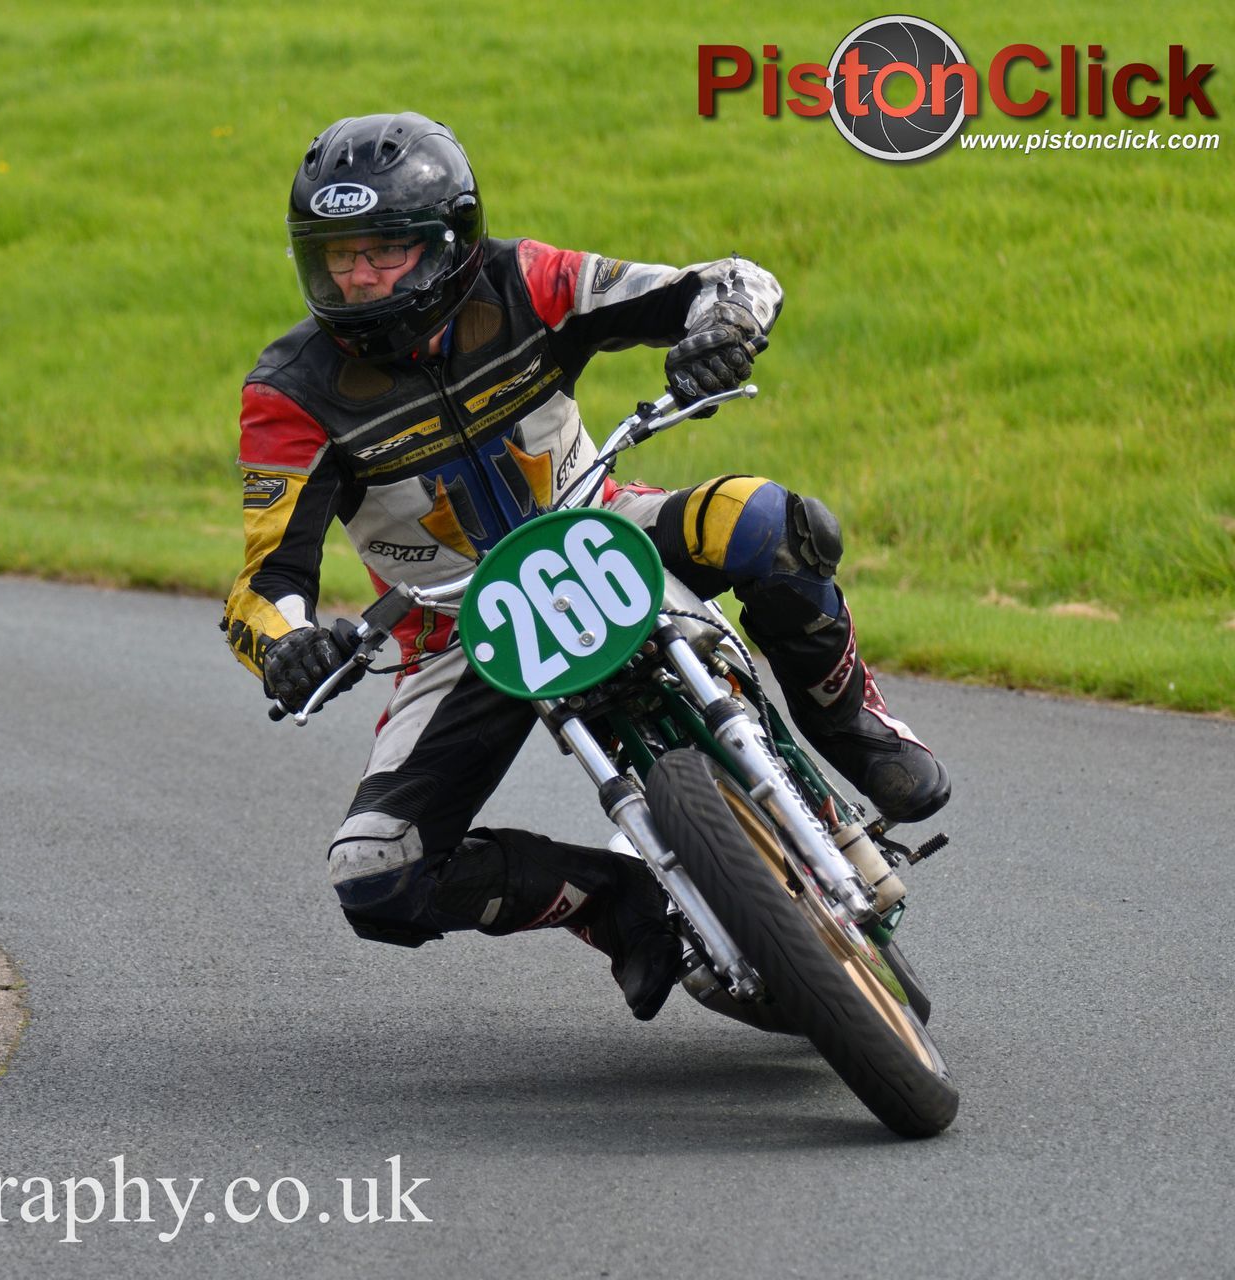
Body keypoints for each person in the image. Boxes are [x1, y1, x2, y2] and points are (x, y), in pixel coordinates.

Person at [220, 112, 949, 1022]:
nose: (358, 276)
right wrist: (285, 646)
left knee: (773, 522)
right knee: (379, 875)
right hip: (458, 631)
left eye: (385, 251)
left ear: (450, 244)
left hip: (604, 528)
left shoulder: (526, 280)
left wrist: (723, 325)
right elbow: (262, 583)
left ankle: (855, 731)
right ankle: (614, 903)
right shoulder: (287, 391)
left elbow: (725, 281)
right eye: (338, 256)